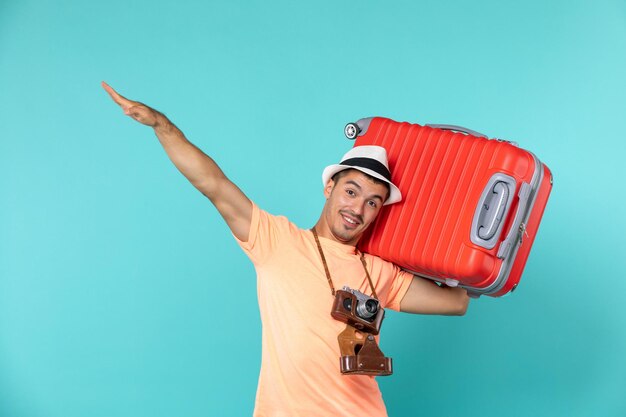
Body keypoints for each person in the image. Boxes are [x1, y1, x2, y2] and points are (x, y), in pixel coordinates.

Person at [102, 81, 470, 417]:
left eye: (373, 202)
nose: (357, 209)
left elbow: (457, 301)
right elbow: (213, 184)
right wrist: (161, 125)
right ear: (330, 188)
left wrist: (442, 233)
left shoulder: (380, 272)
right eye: (351, 191)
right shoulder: (276, 240)